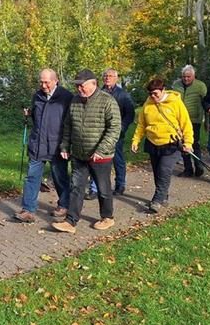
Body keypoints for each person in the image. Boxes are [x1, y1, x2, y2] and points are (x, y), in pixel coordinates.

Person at [51, 70, 121, 233]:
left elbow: (115, 129)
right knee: (76, 188)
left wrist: (101, 150)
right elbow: (68, 126)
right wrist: (65, 146)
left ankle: (107, 217)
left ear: (93, 84)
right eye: (77, 86)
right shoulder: (75, 101)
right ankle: (71, 221)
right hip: (79, 154)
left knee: (103, 189)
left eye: (82, 86)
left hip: (100, 156)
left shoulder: (107, 101)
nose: (79, 89)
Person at [14, 69, 73, 223]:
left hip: (56, 146)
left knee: (60, 178)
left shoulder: (66, 97)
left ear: (55, 80)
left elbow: (70, 123)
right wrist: (30, 113)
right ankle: (28, 210)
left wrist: (66, 145)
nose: (43, 85)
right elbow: (37, 117)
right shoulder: (37, 96)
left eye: (46, 82)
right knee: (32, 178)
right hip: (37, 145)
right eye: (41, 82)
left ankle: (64, 206)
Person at [131, 79, 194, 213]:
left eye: (155, 94)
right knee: (157, 172)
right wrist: (135, 140)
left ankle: (157, 200)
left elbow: (186, 123)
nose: (153, 97)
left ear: (163, 90)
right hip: (153, 143)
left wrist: (188, 143)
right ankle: (163, 195)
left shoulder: (175, 102)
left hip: (171, 143)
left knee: (164, 170)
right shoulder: (147, 104)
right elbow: (141, 124)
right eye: (150, 94)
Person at [99, 68, 135, 195]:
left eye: (110, 76)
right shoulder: (98, 92)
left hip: (117, 132)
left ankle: (120, 184)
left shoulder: (123, 95)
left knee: (117, 158)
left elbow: (130, 114)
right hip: (100, 132)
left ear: (116, 78)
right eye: (105, 76)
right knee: (99, 158)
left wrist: (122, 127)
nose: (107, 78)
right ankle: (99, 186)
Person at [171, 65, 208, 177]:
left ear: (193, 76)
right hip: (178, 120)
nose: (186, 79)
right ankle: (188, 169)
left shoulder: (200, 86)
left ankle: (198, 167)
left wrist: (207, 121)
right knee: (182, 144)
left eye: (188, 77)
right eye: (184, 77)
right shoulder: (176, 85)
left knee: (194, 143)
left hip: (194, 119)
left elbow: (206, 104)